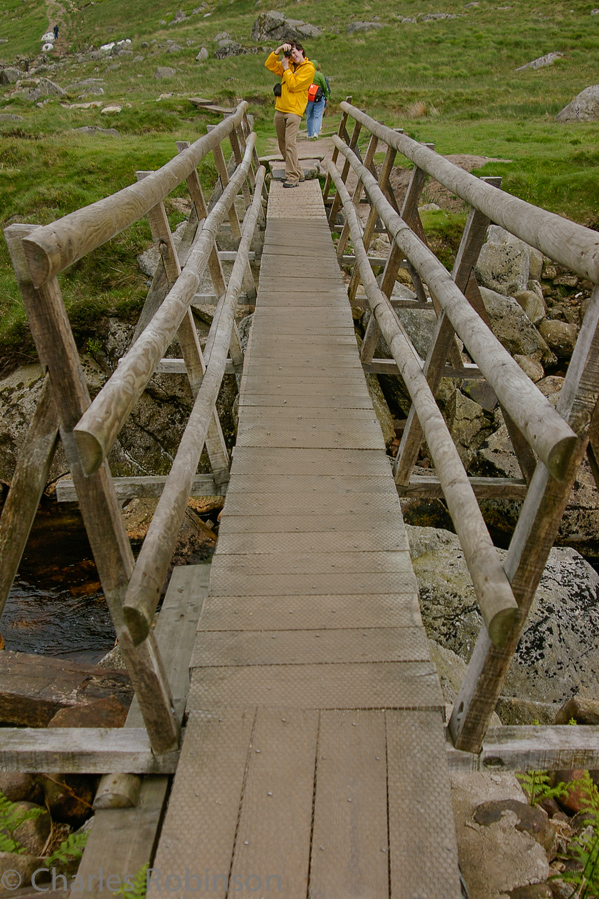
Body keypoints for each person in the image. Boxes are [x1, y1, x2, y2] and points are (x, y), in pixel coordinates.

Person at [265, 41, 315, 188]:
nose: (293, 56)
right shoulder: (289, 64)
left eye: (294, 52)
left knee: (290, 143)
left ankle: (292, 176)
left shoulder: (308, 69)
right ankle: (298, 172)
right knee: (282, 145)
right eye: (290, 53)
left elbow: (293, 85)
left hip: (294, 111)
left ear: (301, 51)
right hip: (280, 109)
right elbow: (269, 64)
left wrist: (286, 68)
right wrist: (279, 50)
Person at [306, 59, 330, 139]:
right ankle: (316, 133)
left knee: (309, 116)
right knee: (318, 116)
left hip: (309, 97)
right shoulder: (320, 75)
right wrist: (326, 97)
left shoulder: (306, 74)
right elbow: (325, 86)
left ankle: (310, 134)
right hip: (319, 98)